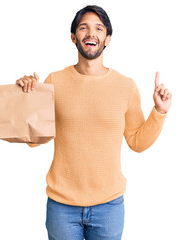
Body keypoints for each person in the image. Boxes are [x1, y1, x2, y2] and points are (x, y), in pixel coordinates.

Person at [16, 5, 172, 240]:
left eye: (99, 28)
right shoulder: (54, 81)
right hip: (62, 207)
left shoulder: (125, 86)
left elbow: (136, 142)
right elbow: (35, 140)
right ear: (73, 37)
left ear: (107, 38)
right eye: (83, 27)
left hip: (109, 207)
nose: (91, 33)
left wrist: (159, 111)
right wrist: (27, 97)